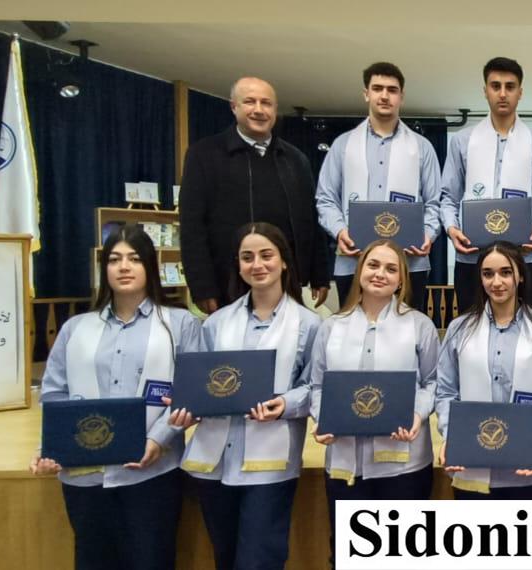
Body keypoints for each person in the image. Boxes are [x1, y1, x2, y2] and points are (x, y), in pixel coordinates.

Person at [31, 224, 200, 569]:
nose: (124, 267)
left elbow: (191, 392)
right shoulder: (75, 328)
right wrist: (51, 446)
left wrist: (158, 439)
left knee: (152, 560)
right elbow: (54, 393)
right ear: (103, 268)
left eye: (134, 259)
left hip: (152, 472)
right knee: (93, 560)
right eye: (114, 259)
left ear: (150, 266)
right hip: (86, 475)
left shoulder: (180, 324)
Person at [168, 223, 321, 570]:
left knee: (259, 561)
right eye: (247, 257)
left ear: (284, 261)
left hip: (269, 463)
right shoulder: (215, 323)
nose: (257, 264)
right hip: (214, 461)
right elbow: (199, 382)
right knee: (224, 558)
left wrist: (286, 404)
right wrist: (187, 407)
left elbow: (315, 386)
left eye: (267, 255)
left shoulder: (310, 324)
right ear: (238, 265)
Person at [309, 239, 439, 559]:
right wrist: (322, 419)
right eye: (373, 265)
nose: (380, 274)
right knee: (349, 557)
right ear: (359, 271)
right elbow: (317, 386)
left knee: (402, 557)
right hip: (345, 466)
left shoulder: (420, 326)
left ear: (402, 280)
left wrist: (417, 415)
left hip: (404, 467)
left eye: (391, 269)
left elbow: (433, 383)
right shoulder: (331, 327)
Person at [180, 76, 331, 313]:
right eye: (250, 102)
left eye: (266, 103)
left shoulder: (296, 160)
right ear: (234, 107)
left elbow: (312, 220)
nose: (259, 110)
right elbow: (192, 226)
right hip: (228, 284)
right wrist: (202, 287)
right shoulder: (204, 155)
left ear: (275, 109)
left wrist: (319, 274)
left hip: (287, 284)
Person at [440, 57, 532, 315]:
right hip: (472, 257)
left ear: (520, 92)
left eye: (510, 86)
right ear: (485, 90)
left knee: (528, 327)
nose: (503, 93)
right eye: (495, 86)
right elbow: (448, 198)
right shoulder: (462, 141)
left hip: (526, 258)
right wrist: (452, 229)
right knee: (470, 326)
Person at [316, 62, 442, 312]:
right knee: (353, 330)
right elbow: (326, 198)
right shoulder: (342, 145)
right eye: (377, 88)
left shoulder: (422, 147)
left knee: (407, 329)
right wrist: (340, 231)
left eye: (392, 90)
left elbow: (434, 202)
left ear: (401, 96)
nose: (384, 96)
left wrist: (428, 234)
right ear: (366, 94)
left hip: (409, 263)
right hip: (353, 262)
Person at [436, 241, 532, 499]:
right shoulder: (459, 329)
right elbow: (446, 392)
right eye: (488, 274)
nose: (497, 282)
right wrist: (450, 435)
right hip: (471, 464)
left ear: (520, 276)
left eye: (506, 272)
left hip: (529, 469)